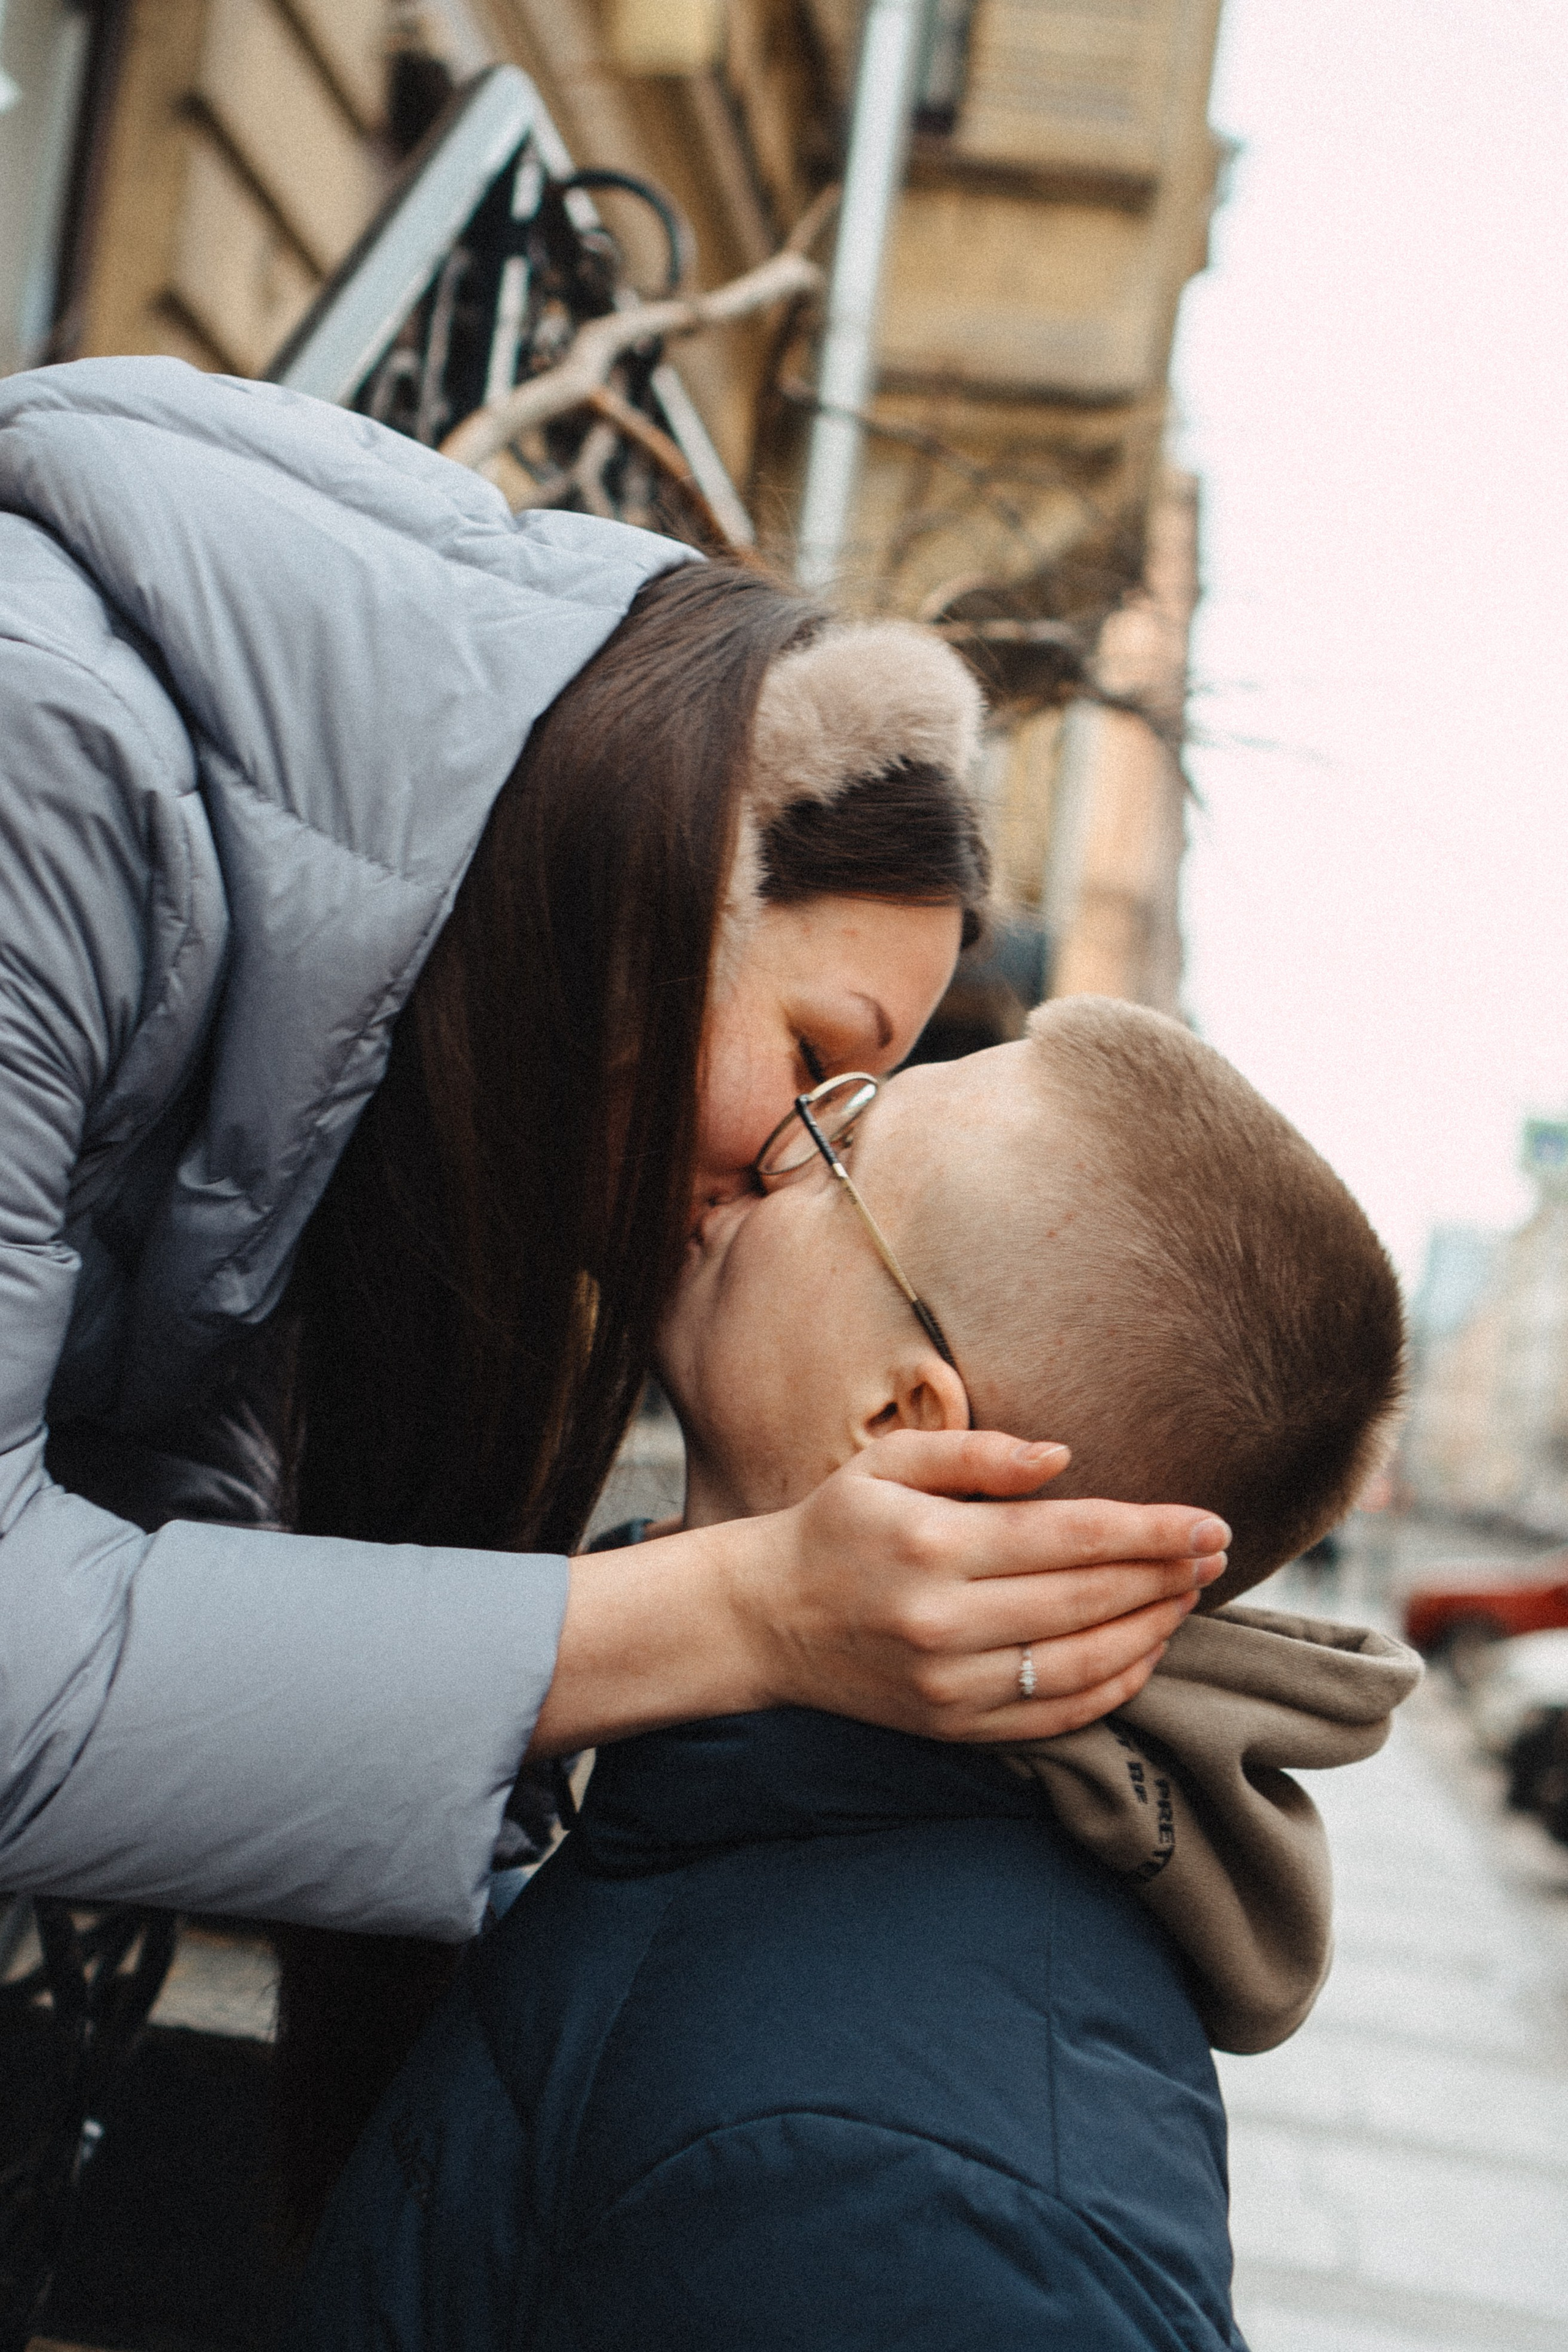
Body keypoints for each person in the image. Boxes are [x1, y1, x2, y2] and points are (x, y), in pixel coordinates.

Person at [0, 360, 1228, 2213]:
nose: (790, 1171)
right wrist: (740, 1614)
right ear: (683, 846)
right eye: (817, 1061)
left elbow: (146, 1495)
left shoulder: (330, 1040)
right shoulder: (49, 766)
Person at [287, 998, 1409, 2351]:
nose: (770, 1140)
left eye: (836, 1140)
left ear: (900, 1423)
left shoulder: (907, 2197)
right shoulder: (755, 1814)